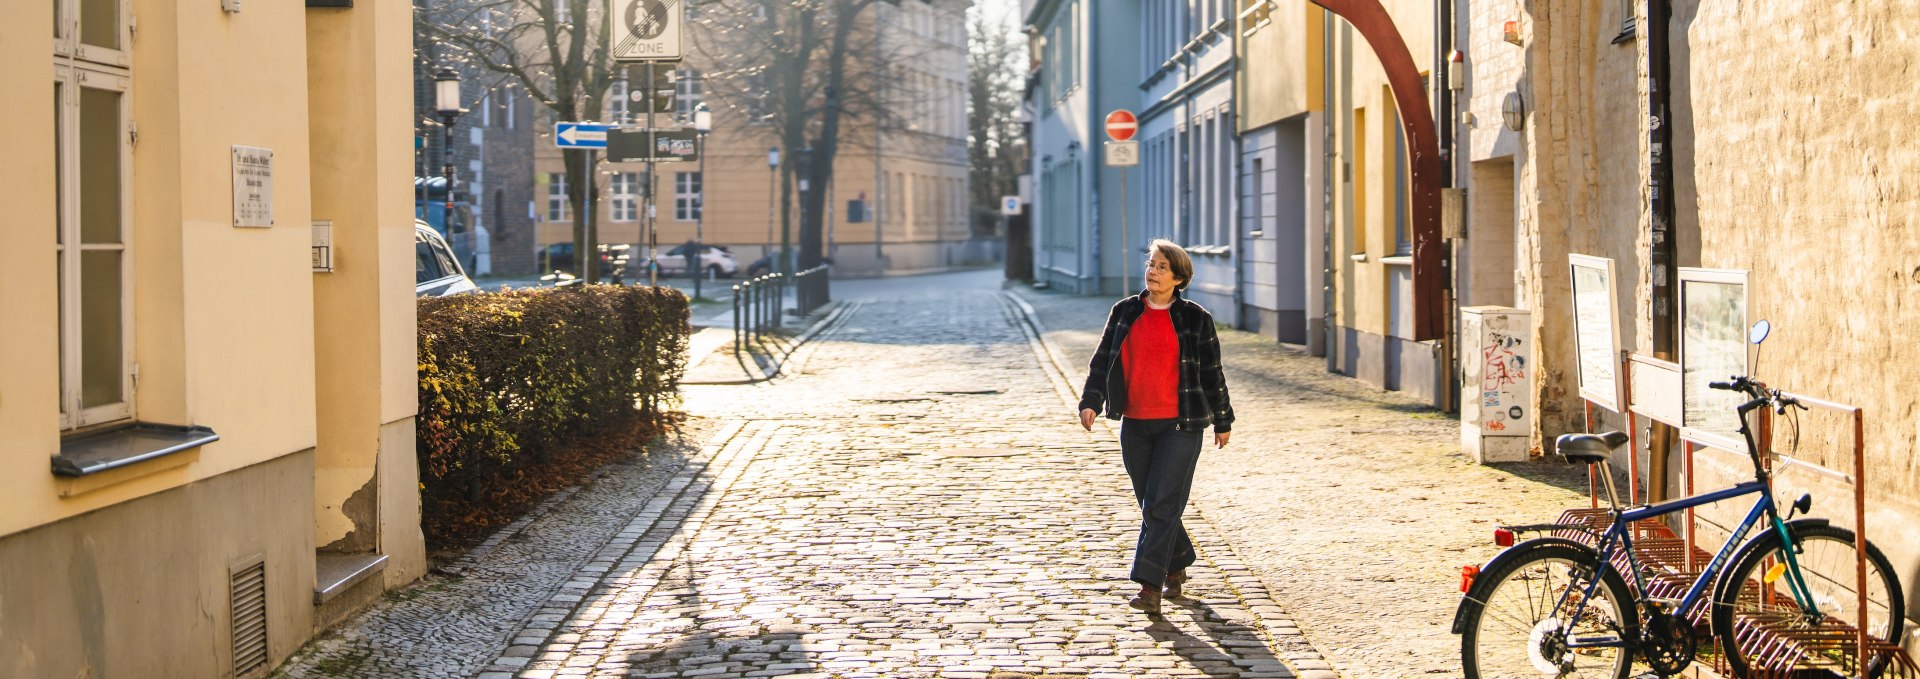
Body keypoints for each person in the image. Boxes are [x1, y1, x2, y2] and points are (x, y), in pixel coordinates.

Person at [1077, 239, 1235, 616]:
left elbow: (1212, 373)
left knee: (1162, 503)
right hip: (1135, 424)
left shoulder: (1196, 318)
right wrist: (1091, 400)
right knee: (1153, 504)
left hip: (1181, 426)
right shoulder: (1124, 312)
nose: (1153, 272)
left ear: (1179, 278)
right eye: (1151, 264)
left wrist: (1223, 418)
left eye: (1163, 267)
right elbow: (1102, 360)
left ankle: (1149, 586)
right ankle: (1176, 562)